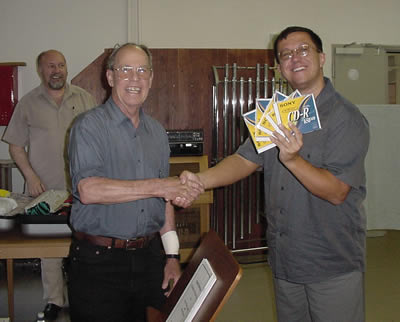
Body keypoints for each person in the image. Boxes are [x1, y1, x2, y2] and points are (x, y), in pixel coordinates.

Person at [180, 26, 370, 322]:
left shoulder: (345, 118)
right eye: (286, 54)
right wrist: (200, 180)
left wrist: (293, 160)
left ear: (321, 58)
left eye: (303, 50)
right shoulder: (277, 114)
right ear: (279, 67)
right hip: (285, 260)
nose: (295, 58)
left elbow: (337, 192)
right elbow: (244, 160)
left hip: (331, 260)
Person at [67, 43, 203, 322]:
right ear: (110, 77)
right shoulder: (88, 126)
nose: (134, 78)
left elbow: (163, 201)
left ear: (151, 79)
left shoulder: (156, 132)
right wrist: (158, 185)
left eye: (142, 70)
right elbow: (88, 190)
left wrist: (172, 256)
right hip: (98, 262)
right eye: (125, 69)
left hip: (150, 258)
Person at [2, 50, 96, 320]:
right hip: (44, 191)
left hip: (82, 188)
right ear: (41, 70)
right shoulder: (29, 103)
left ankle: (82, 297)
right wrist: (31, 176)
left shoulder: (84, 98)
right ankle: (54, 301)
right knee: (48, 248)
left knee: (84, 244)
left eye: (61, 65)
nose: (57, 70)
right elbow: (16, 146)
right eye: (51, 66)